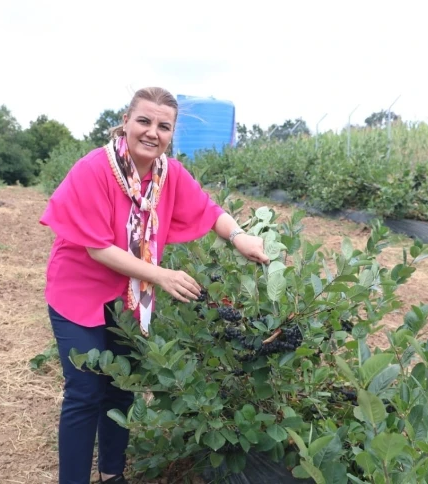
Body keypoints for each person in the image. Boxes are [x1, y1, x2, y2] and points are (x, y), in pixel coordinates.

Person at [39, 86, 270, 484]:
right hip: (78, 294)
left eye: (164, 126)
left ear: (171, 133)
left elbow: (210, 211)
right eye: (143, 121)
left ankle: (112, 474)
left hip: (127, 299)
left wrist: (239, 237)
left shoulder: (169, 174)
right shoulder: (95, 169)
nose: (152, 132)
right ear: (125, 122)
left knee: (120, 388)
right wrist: (161, 275)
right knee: (85, 393)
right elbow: (97, 248)